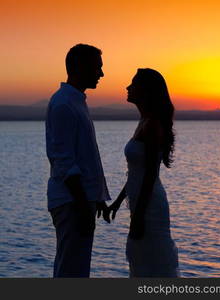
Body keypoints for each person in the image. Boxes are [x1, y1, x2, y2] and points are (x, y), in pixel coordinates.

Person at [45, 44, 111, 277]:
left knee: (77, 268)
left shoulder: (76, 102)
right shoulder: (64, 104)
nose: (101, 74)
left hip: (80, 201)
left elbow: (86, 157)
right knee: (71, 270)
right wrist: (84, 204)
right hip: (72, 202)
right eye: (97, 68)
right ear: (80, 67)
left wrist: (98, 197)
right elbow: (64, 161)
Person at [108, 68, 179, 277]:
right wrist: (119, 201)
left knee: (149, 260)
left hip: (149, 206)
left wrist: (138, 217)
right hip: (140, 203)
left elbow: (149, 175)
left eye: (133, 84)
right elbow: (135, 173)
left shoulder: (152, 126)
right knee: (141, 260)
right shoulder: (144, 122)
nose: (128, 87)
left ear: (146, 91)